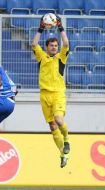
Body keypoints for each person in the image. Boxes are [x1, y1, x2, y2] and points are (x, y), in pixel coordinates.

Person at [31, 15, 70, 168]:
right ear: (47, 47)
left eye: (55, 45)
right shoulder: (42, 57)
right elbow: (34, 43)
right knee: (53, 127)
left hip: (58, 94)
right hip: (44, 95)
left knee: (59, 120)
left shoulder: (61, 57)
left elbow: (66, 43)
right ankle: (63, 153)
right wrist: (41, 28)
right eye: (52, 46)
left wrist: (60, 27)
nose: (55, 47)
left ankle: (66, 139)